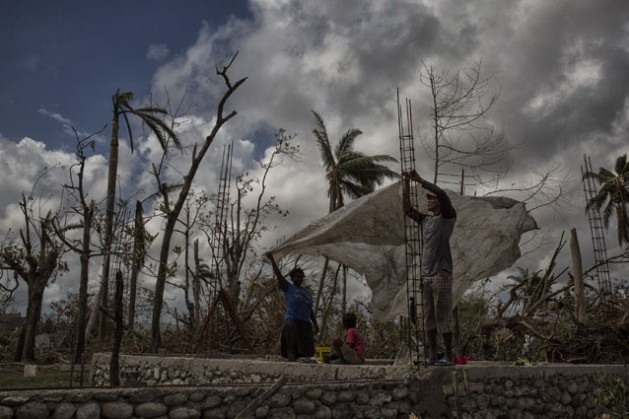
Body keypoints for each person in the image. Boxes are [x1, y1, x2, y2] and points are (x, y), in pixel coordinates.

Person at [402, 169, 457, 366]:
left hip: (441, 274)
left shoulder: (447, 217)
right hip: (426, 276)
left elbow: (442, 194)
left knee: (443, 317)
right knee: (429, 320)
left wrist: (420, 180)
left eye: (431, 199)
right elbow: (407, 210)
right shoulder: (426, 221)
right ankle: (433, 355)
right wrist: (407, 184)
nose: (429, 201)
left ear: (440, 203)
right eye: (429, 199)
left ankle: (449, 356)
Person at [266, 252, 319, 362]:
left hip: (305, 324)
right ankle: (291, 367)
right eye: (297, 277)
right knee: (292, 348)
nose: (299, 278)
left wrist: (315, 323)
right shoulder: (288, 287)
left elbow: (310, 310)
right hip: (292, 321)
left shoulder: (306, 292)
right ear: (292, 278)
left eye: (301, 277)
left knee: (304, 352)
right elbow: (278, 274)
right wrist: (272, 260)